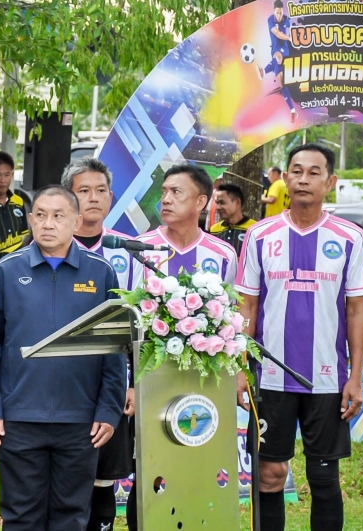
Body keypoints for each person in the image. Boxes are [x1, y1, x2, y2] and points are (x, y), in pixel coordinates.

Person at [236, 144, 363, 531]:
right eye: (296, 171)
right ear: (285, 179)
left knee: (324, 477)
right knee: (269, 475)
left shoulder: (350, 237)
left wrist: (355, 376)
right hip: (270, 378)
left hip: (327, 379)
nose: (303, 179)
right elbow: (247, 306)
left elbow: (356, 311)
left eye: (314, 172)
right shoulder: (260, 235)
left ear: (330, 182)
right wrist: (239, 369)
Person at [0, 185, 128, 531]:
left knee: (71, 517)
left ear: (76, 222)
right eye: (41, 215)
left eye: (59, 216)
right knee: (20, 516)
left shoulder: (100, 272)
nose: (48, 223)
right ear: (30, 220)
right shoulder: (7, 270)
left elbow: (114, 348)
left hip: (81, 421)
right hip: (19, 419)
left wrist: (109, 409)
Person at [125, 164, 237, 530]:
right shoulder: (141, 249)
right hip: (150, 382)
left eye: (177, 192)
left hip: (205, 385)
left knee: (197, 461)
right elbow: (127, 321)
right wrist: (130, 382)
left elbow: (232, 320)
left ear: (201, 202)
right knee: (149, 470)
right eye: (164, 192)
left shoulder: (223, 254)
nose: (166, 199)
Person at [62, 157, 134, 531]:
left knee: (104, 479)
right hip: (62, 386)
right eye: (84, 191)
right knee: (65, 483)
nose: (93, 198)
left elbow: (139, 326)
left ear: (111, 197)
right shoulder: (47, 247)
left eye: (101, 190)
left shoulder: (129, 252)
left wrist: (133, 383)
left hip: (112, 386)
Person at [257, 0, 297, 123]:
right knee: (281, 80)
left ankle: (264, 71)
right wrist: (289, 38)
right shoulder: (270, 20)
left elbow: (292, 31)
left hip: (284, 50)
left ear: (282, 11)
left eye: (280, 13)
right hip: (274, 49)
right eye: (277, 13)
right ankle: (293, 111)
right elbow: (278, 34)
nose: (279, 15)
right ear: (274, 11)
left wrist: (294, 39)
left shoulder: (286, 20)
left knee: (278, 56)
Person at [209, 183, 257, 256]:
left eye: (222, 203)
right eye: (217, 203)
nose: (218, 207)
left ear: (237, 202)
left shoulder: (255, 229)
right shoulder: (214, 230)